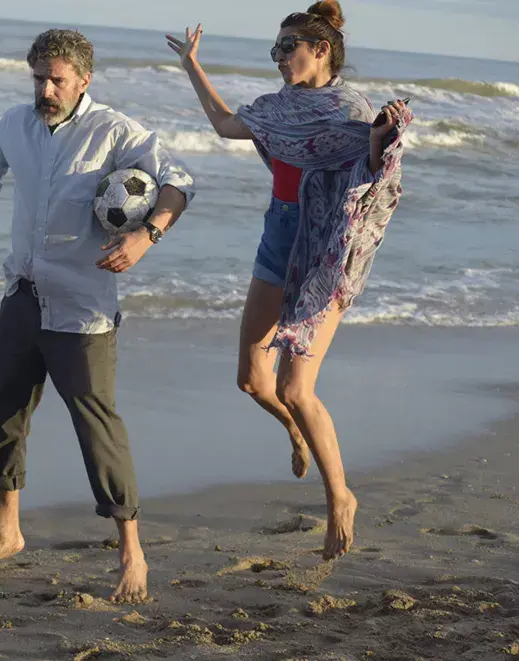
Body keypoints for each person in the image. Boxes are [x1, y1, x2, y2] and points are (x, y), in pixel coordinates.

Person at [0, 29, 195, 603]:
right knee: (3, 413)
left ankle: (132, 550)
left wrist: (146, 236)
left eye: (56, 79)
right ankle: (5, 531)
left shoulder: (114, 131)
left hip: (83, 307)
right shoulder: (15, 122)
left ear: (84, 80)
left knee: (97, 427)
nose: (46, 88)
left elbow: (178, 180)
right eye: (38, 77)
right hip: (24, 292)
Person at [167, 0, 411, 559]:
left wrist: (380, 140)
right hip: (279, 237)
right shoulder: (279, 108)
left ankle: (339, 499)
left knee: (298, 388)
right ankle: (295, 431)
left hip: (326, 248)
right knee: (255, 381)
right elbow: (228, 124)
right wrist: (192, 67)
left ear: (319, 49)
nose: (278, 59)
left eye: (286, 49)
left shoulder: (350, 107)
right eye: (274, 50)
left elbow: (371, 172)